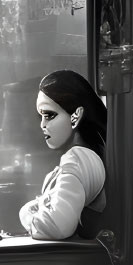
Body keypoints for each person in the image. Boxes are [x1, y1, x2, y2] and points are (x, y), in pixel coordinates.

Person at [18, 69, 108, 241]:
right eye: (41, 116)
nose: (42, 125)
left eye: (49, 115)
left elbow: (58, 226)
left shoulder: (78, 158)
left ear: (76, 116)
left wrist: (27, 213)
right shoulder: (86, 156)